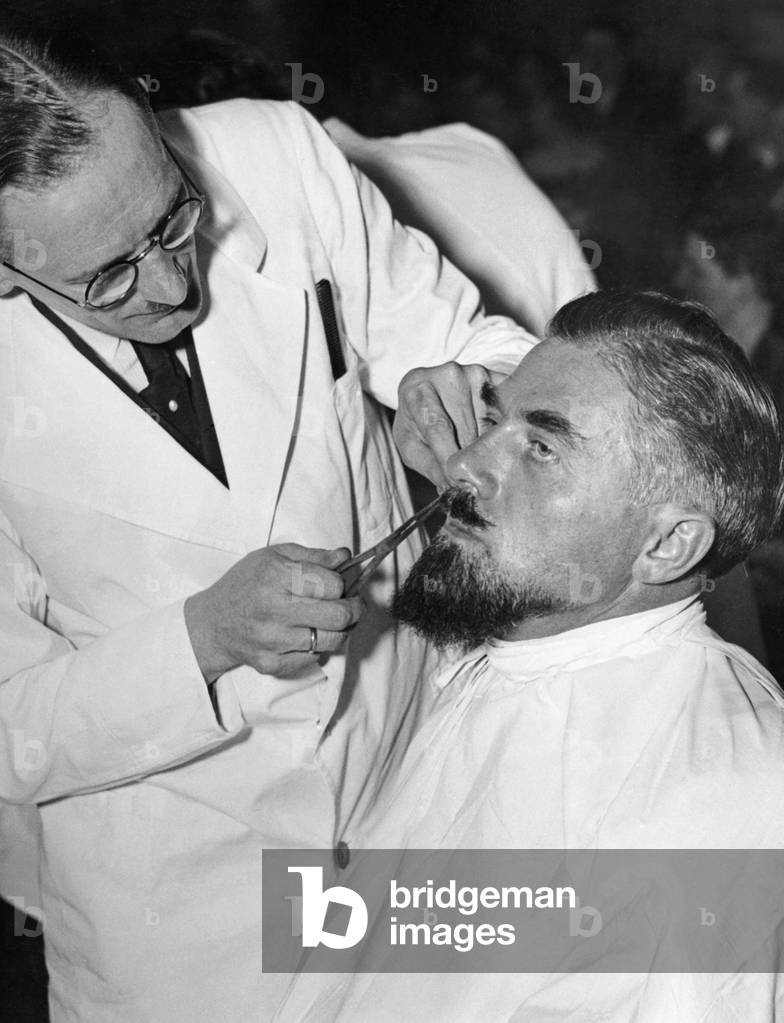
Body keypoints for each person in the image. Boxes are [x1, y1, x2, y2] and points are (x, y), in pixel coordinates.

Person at [0, 29, 539, 1023]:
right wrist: (199, 640)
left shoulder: (272, 154)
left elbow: (480, 344)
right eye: (107, 279)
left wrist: (459, 392)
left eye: (172, 219)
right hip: (183, 924)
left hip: (407, 804)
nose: (173, 287)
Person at [276, 290, 784, 1022]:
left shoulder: (721, 797)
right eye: (494, 422)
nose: (462, 463)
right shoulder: (521, 650)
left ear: (668, 544)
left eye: (541, 448)